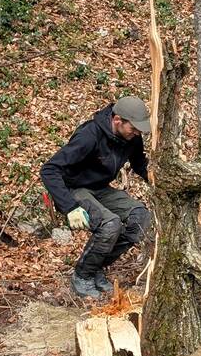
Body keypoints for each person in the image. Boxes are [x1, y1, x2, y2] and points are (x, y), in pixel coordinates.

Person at [41, 95, 153, 300]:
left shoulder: (132, 138)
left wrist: (157, 181)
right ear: (117, 120)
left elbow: (139, 164)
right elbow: (49, 170)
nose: (137, 133)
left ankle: (96, 266)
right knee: (110, 224)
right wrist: (70, 207)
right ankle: (82, 275)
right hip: (73, 189)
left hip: (100, 189)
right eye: (134, 129)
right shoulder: (89, 135)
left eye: (139, 130)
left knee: (141, 218)